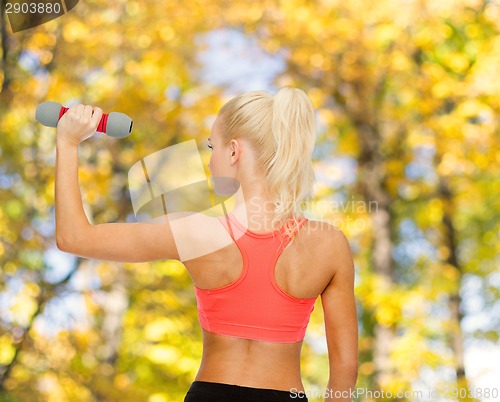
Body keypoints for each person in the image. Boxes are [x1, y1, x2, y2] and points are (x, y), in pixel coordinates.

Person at [55, 87, 358, 402]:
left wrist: (68, 142)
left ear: (233, 152)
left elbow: (73, 237)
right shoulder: (328, 244)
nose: (211, 160)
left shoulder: (196, 232)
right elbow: (345, 369)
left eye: (213, 146)